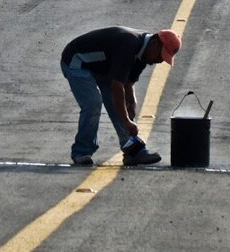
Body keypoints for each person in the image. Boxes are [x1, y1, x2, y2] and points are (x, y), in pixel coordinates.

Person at [60, 26, 181, 166]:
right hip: (77, 61)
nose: (160, 60)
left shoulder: (144, 54)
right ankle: (81, 152)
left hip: (102, 66)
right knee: (93, 103)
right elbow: (117, 87)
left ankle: (132, 151)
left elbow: (128, 84)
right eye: (161, 55)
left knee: (121, 106)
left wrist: (132, 108)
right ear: (154, 43)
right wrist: (127, 122)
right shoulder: (128, 44)